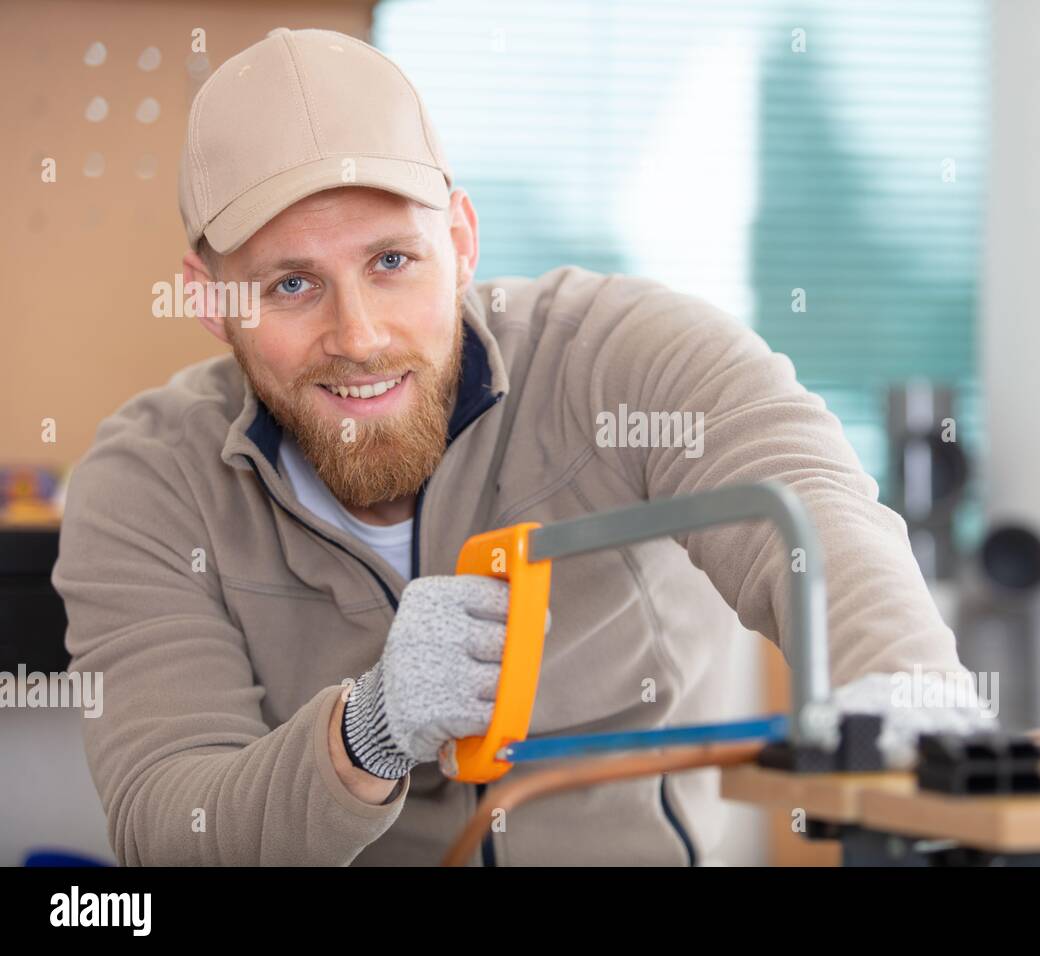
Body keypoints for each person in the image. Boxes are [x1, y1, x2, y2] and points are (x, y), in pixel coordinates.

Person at [52, 27, 964, 866]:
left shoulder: (617, 356)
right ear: (209, 299)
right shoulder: (148, 482)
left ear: (460, 240)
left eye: (392, 261)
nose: (358, 337)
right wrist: (364, 734)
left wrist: (905, 689)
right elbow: (167, 827)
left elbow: (807, 505)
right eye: (292, 284)